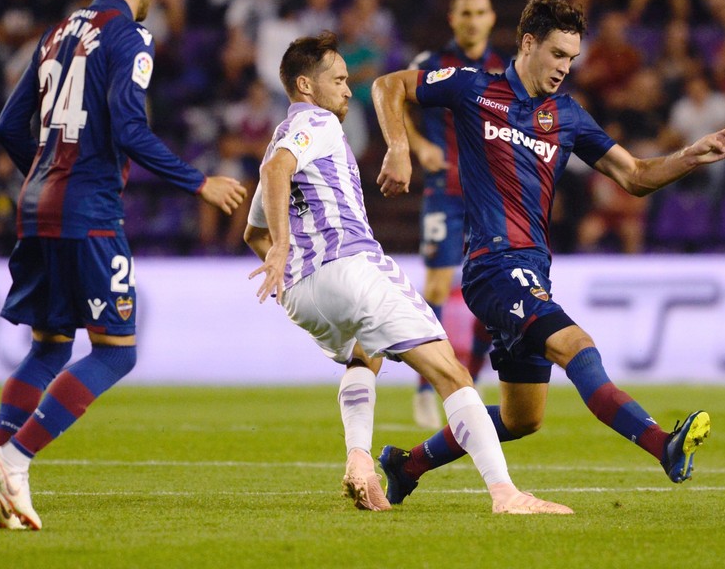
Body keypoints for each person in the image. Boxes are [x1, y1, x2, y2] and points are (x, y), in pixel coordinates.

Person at [371, 0, 725, 506]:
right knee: (576, 345)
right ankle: (663, 444)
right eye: (558, 54)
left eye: (572, 58)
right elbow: (388, 85)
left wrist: (688, 157)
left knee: (522, 417)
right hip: (492, 266)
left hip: (533, 271)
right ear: (528, 43)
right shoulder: (473, 88)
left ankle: (406, 464)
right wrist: (399, 147)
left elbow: (635, 175)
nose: (565, 68)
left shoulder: (566, 115)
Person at [0, 0, 247, 531]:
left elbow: (9, 126)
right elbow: (129, 127)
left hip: (37, 206)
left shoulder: (58, 32)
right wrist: (199, 182)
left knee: (49, 347)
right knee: (116, 353)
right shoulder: (132, 36)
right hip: (87, 210)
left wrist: (48, 172)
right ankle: (11, 460)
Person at [243, 31, 571, 516]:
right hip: (350, 268)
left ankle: (359, 459)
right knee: (452, 373)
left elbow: (253, 231)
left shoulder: (282, 135)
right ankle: (506, 495)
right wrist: (282, 248)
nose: (347, 90)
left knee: (364, 355)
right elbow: (276, 172)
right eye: (338, 80)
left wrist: (280, 258)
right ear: (305, 86)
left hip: (301, 294)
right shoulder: (316, 121)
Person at [404, 0, 509, 429]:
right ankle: (427, 387)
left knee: (492, 293)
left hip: (489, 194)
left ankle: (475, 377)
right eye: (465, 13)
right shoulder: (430, 64)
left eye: (480, 12)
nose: (472, 21)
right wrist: (417, 145)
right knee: (436, 286)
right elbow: (397, 100)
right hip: (444, 190)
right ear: (452, 19)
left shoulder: (506, 70)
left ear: (492, 18)